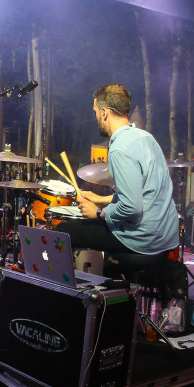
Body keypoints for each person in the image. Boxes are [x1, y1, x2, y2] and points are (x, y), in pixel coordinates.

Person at [56, 83, 179, 276]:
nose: (95, 116)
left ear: (105, 113)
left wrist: (97, 212)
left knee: (62, 230)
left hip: (143, 239)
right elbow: (145, 194)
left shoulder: (120, 149)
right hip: (163, 236)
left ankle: (63, 293)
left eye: (96, 111)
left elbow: (131, 207)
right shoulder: (146, 138)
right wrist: (103, 199)